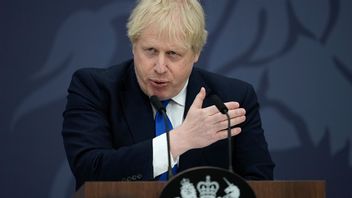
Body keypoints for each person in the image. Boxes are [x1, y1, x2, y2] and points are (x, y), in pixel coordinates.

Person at [62, 0, 275, 190]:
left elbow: (260, 183)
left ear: (196, 54)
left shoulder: (231, 98)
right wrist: (178, 141)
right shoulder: (95, 89)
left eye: (173, 54)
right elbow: (89, 171)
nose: (160, 67)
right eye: (151, 51)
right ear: (133, 45)